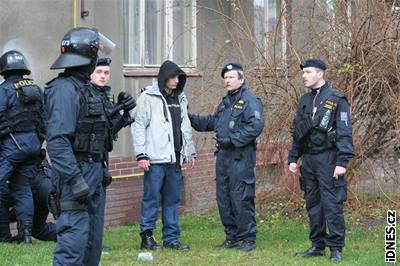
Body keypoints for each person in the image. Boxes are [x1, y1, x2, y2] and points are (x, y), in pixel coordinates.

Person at [45, 27, 124, 265]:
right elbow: (57, 142)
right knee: (73, 246)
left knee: (92, 247)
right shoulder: (64, 90)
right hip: (75, 176)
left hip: (94, 173)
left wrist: (120, 115)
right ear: (88, 56)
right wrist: (75, 179)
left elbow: (96, 135)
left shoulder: (87, 89)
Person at [189, 63, 264, 252]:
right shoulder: (225, 103)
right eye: (226, 77)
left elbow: (255, 126)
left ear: (241, 79)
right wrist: (189, 118)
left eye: (232, 77)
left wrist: (233, 140)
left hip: (241, 157)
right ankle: (232, 237)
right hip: (223, 158)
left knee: (241, 197)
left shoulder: (250, 100)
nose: (228, 80)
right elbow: (213, 122)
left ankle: (247, 238)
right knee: (224, 197)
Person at [288, 59, 355, 262]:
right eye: (303, 73)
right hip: (308, 160)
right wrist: (293, 157)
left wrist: (342, 162)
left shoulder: (337, 99)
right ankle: (317, 245)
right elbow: (298, 132)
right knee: (313, 203)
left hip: (328, 158)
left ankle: (335, 248)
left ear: (320, 74)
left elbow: (344, 132)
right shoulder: (305, 101)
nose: (304, 76)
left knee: (331, 203)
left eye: (308, 72)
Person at [132, 60, 196, 251]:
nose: (177, 81)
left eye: (179, 77)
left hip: (174, 159)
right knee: (151, 199)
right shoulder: (148, 96)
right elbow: (139, 126)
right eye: (173, 77)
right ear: (164, 77)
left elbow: (185, 128)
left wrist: (190, 151)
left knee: (172, 201)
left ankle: (171, 239)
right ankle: (147, 237)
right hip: (155, 160)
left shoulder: (180, 98)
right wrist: (141, 154)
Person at [0, 50, 45, 243]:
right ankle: (26, 235)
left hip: (12, 147)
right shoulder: (35, 89)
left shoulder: (4, 90)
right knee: (22, 188)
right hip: (34, 146)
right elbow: (44, 117)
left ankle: (3, 236)